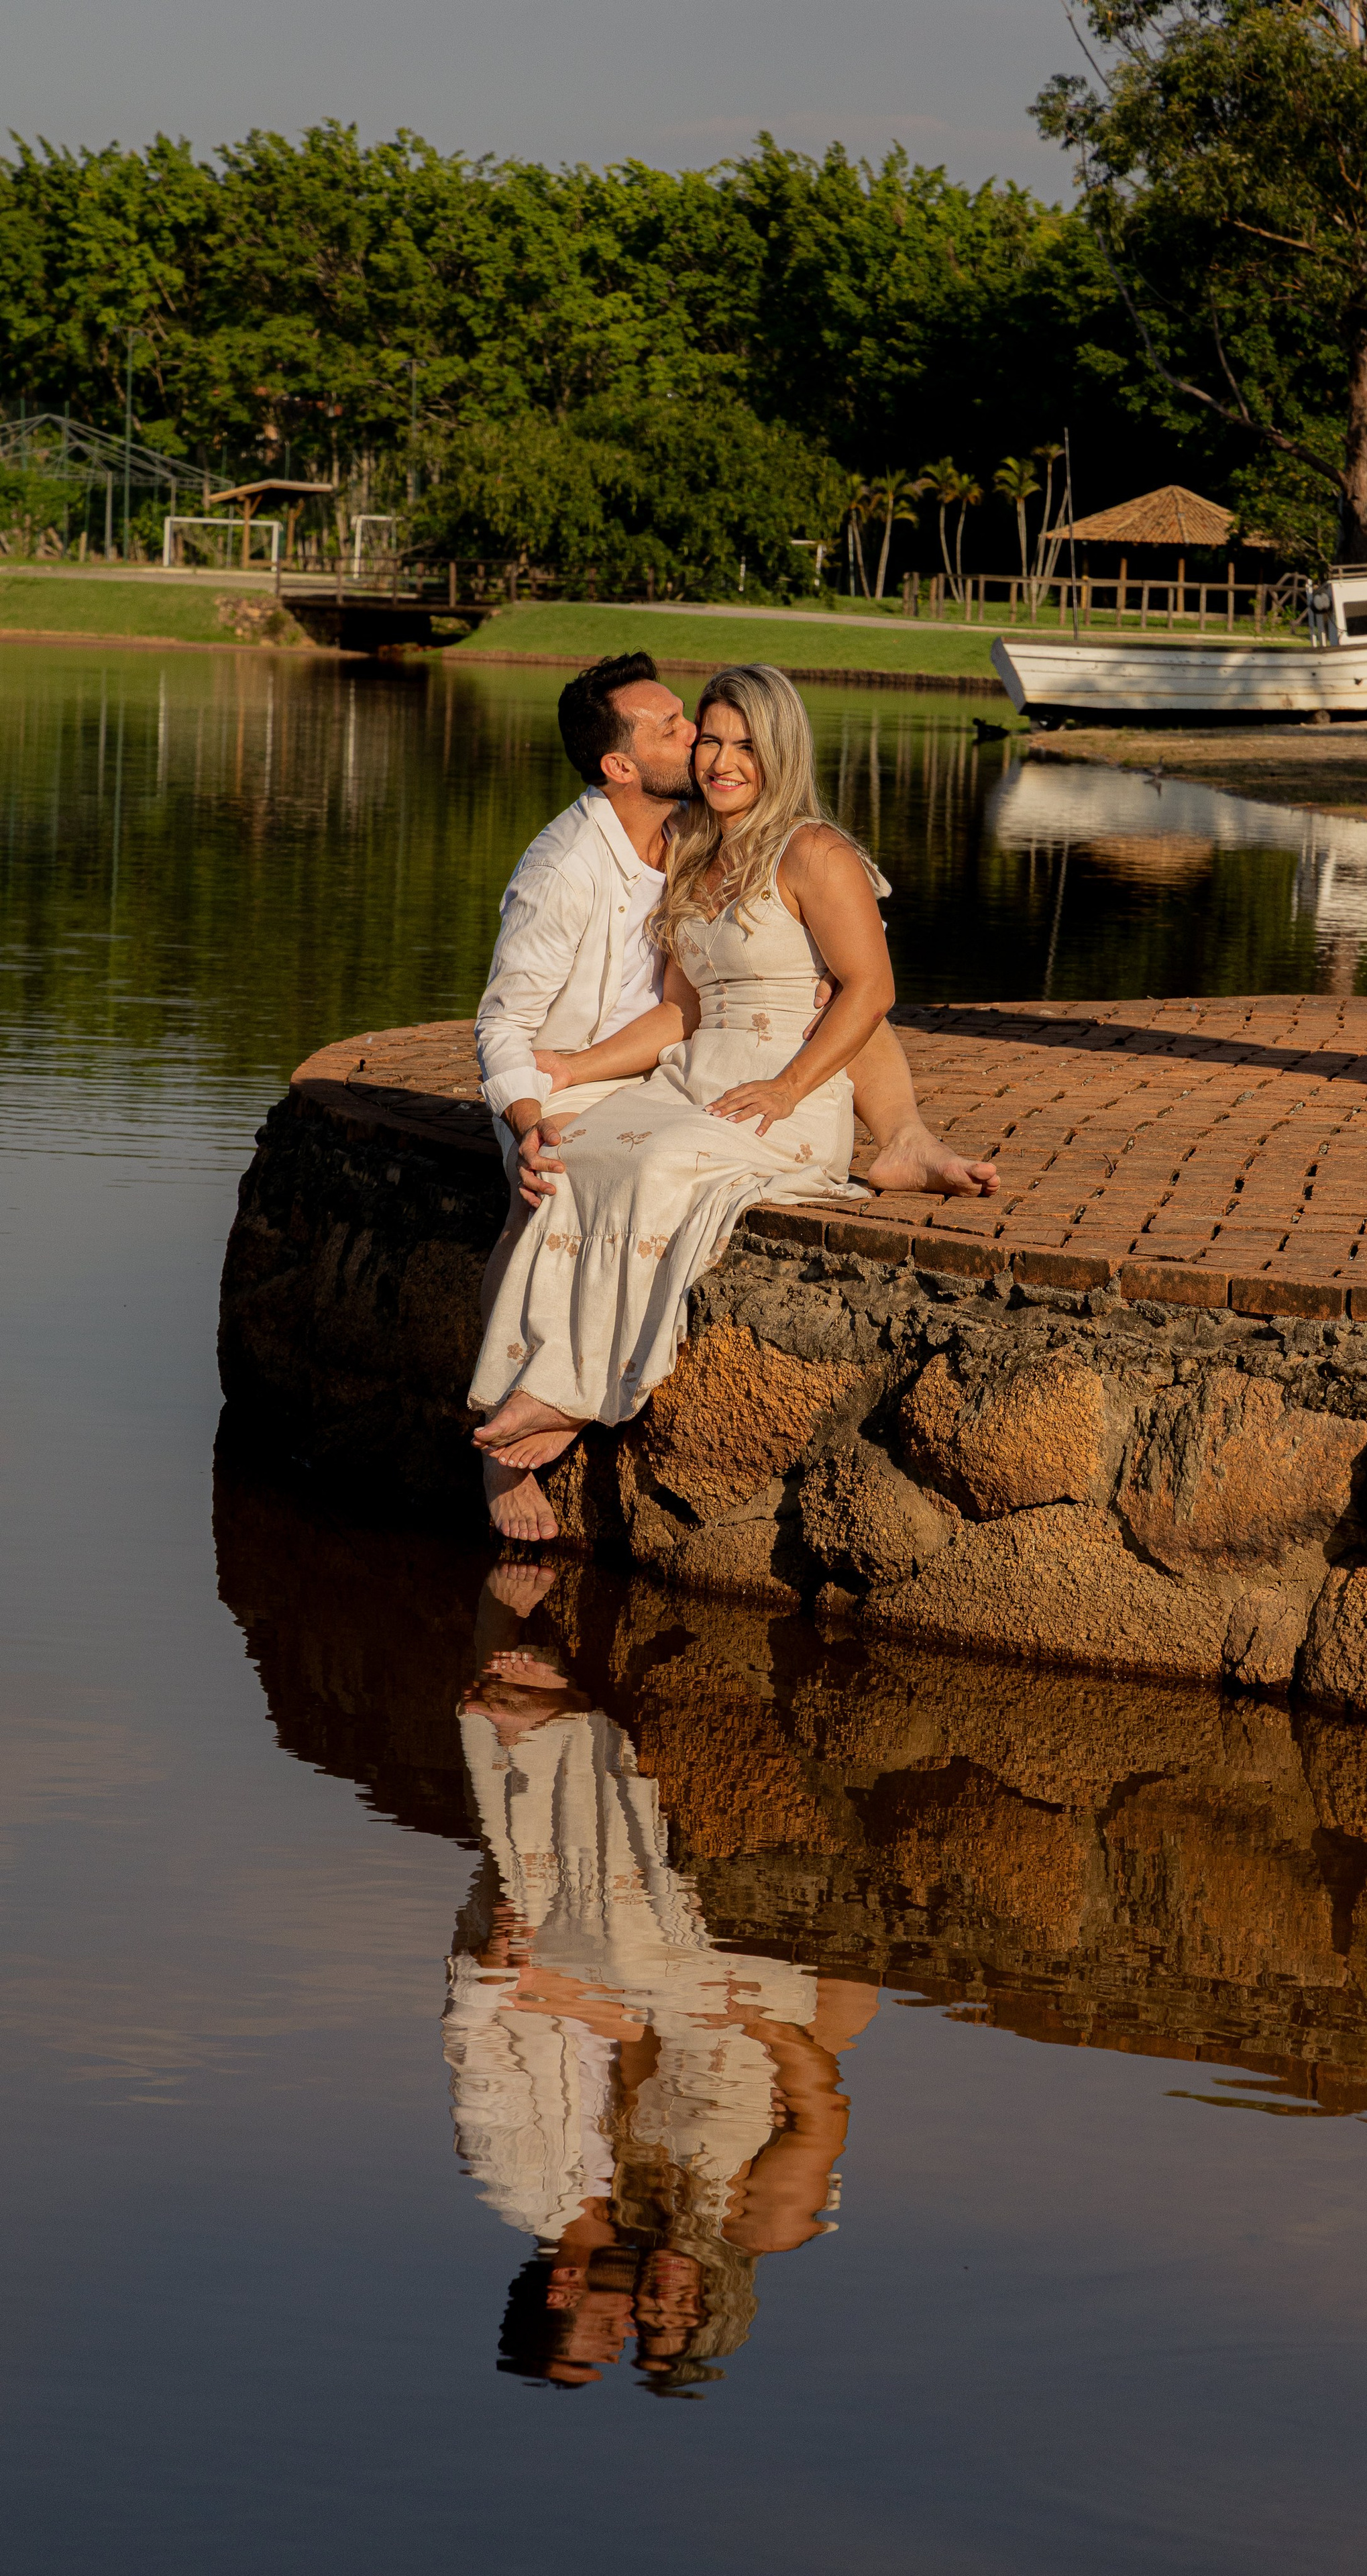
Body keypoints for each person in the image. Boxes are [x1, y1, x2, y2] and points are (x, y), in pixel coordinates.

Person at [472, 649, 997, 1540]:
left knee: (659, 1165)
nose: (714, 757)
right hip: (694, 1072)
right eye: (703, 738)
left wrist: (787, 1088)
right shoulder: (689, 851)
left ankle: (571, 1393)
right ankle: (523, 1385)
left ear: (779, 750)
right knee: (578, 1159)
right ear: (623, 763)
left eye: (740, 744)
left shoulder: (815, 852)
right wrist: (570, 1070)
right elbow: (680, 1009)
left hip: (785, 1095)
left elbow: (870, 989)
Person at [445, 1576, 875, 2393]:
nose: (652, 2303)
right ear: (719, 2309)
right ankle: (559, 1722)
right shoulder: (766, 2226)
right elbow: (821, 2108)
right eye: (674, 2317)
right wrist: (755, 2023)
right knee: (621, 1949)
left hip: (678, 2008)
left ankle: (548, 1720)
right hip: (750, 2018)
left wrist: (527, 1985)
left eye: (643, 2318)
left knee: (586, 1941)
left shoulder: (635, 2206)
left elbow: (633, 2056)